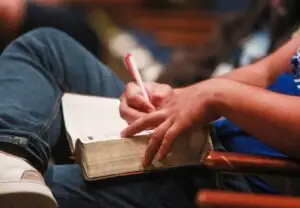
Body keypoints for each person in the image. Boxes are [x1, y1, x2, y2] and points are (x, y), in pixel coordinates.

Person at [0, 27, 300, 208]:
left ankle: (15, 176)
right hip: (205, 134)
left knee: (36, 193)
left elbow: (224, 95)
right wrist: (178, 97)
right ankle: (10, 155)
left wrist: (217, 95)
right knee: (44, 48)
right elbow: (266, 72)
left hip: (233, 173)